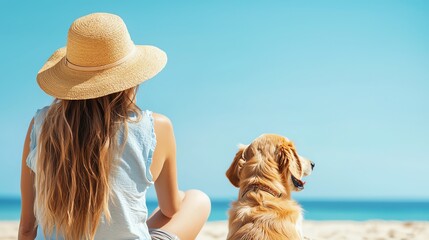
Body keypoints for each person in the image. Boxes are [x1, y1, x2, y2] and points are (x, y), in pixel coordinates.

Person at [18, 13, 210, 240]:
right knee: (198, 199)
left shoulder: (41, 126)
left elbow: (28, 226)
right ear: (130, 77)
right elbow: (171, 210)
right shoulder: (154, 127)